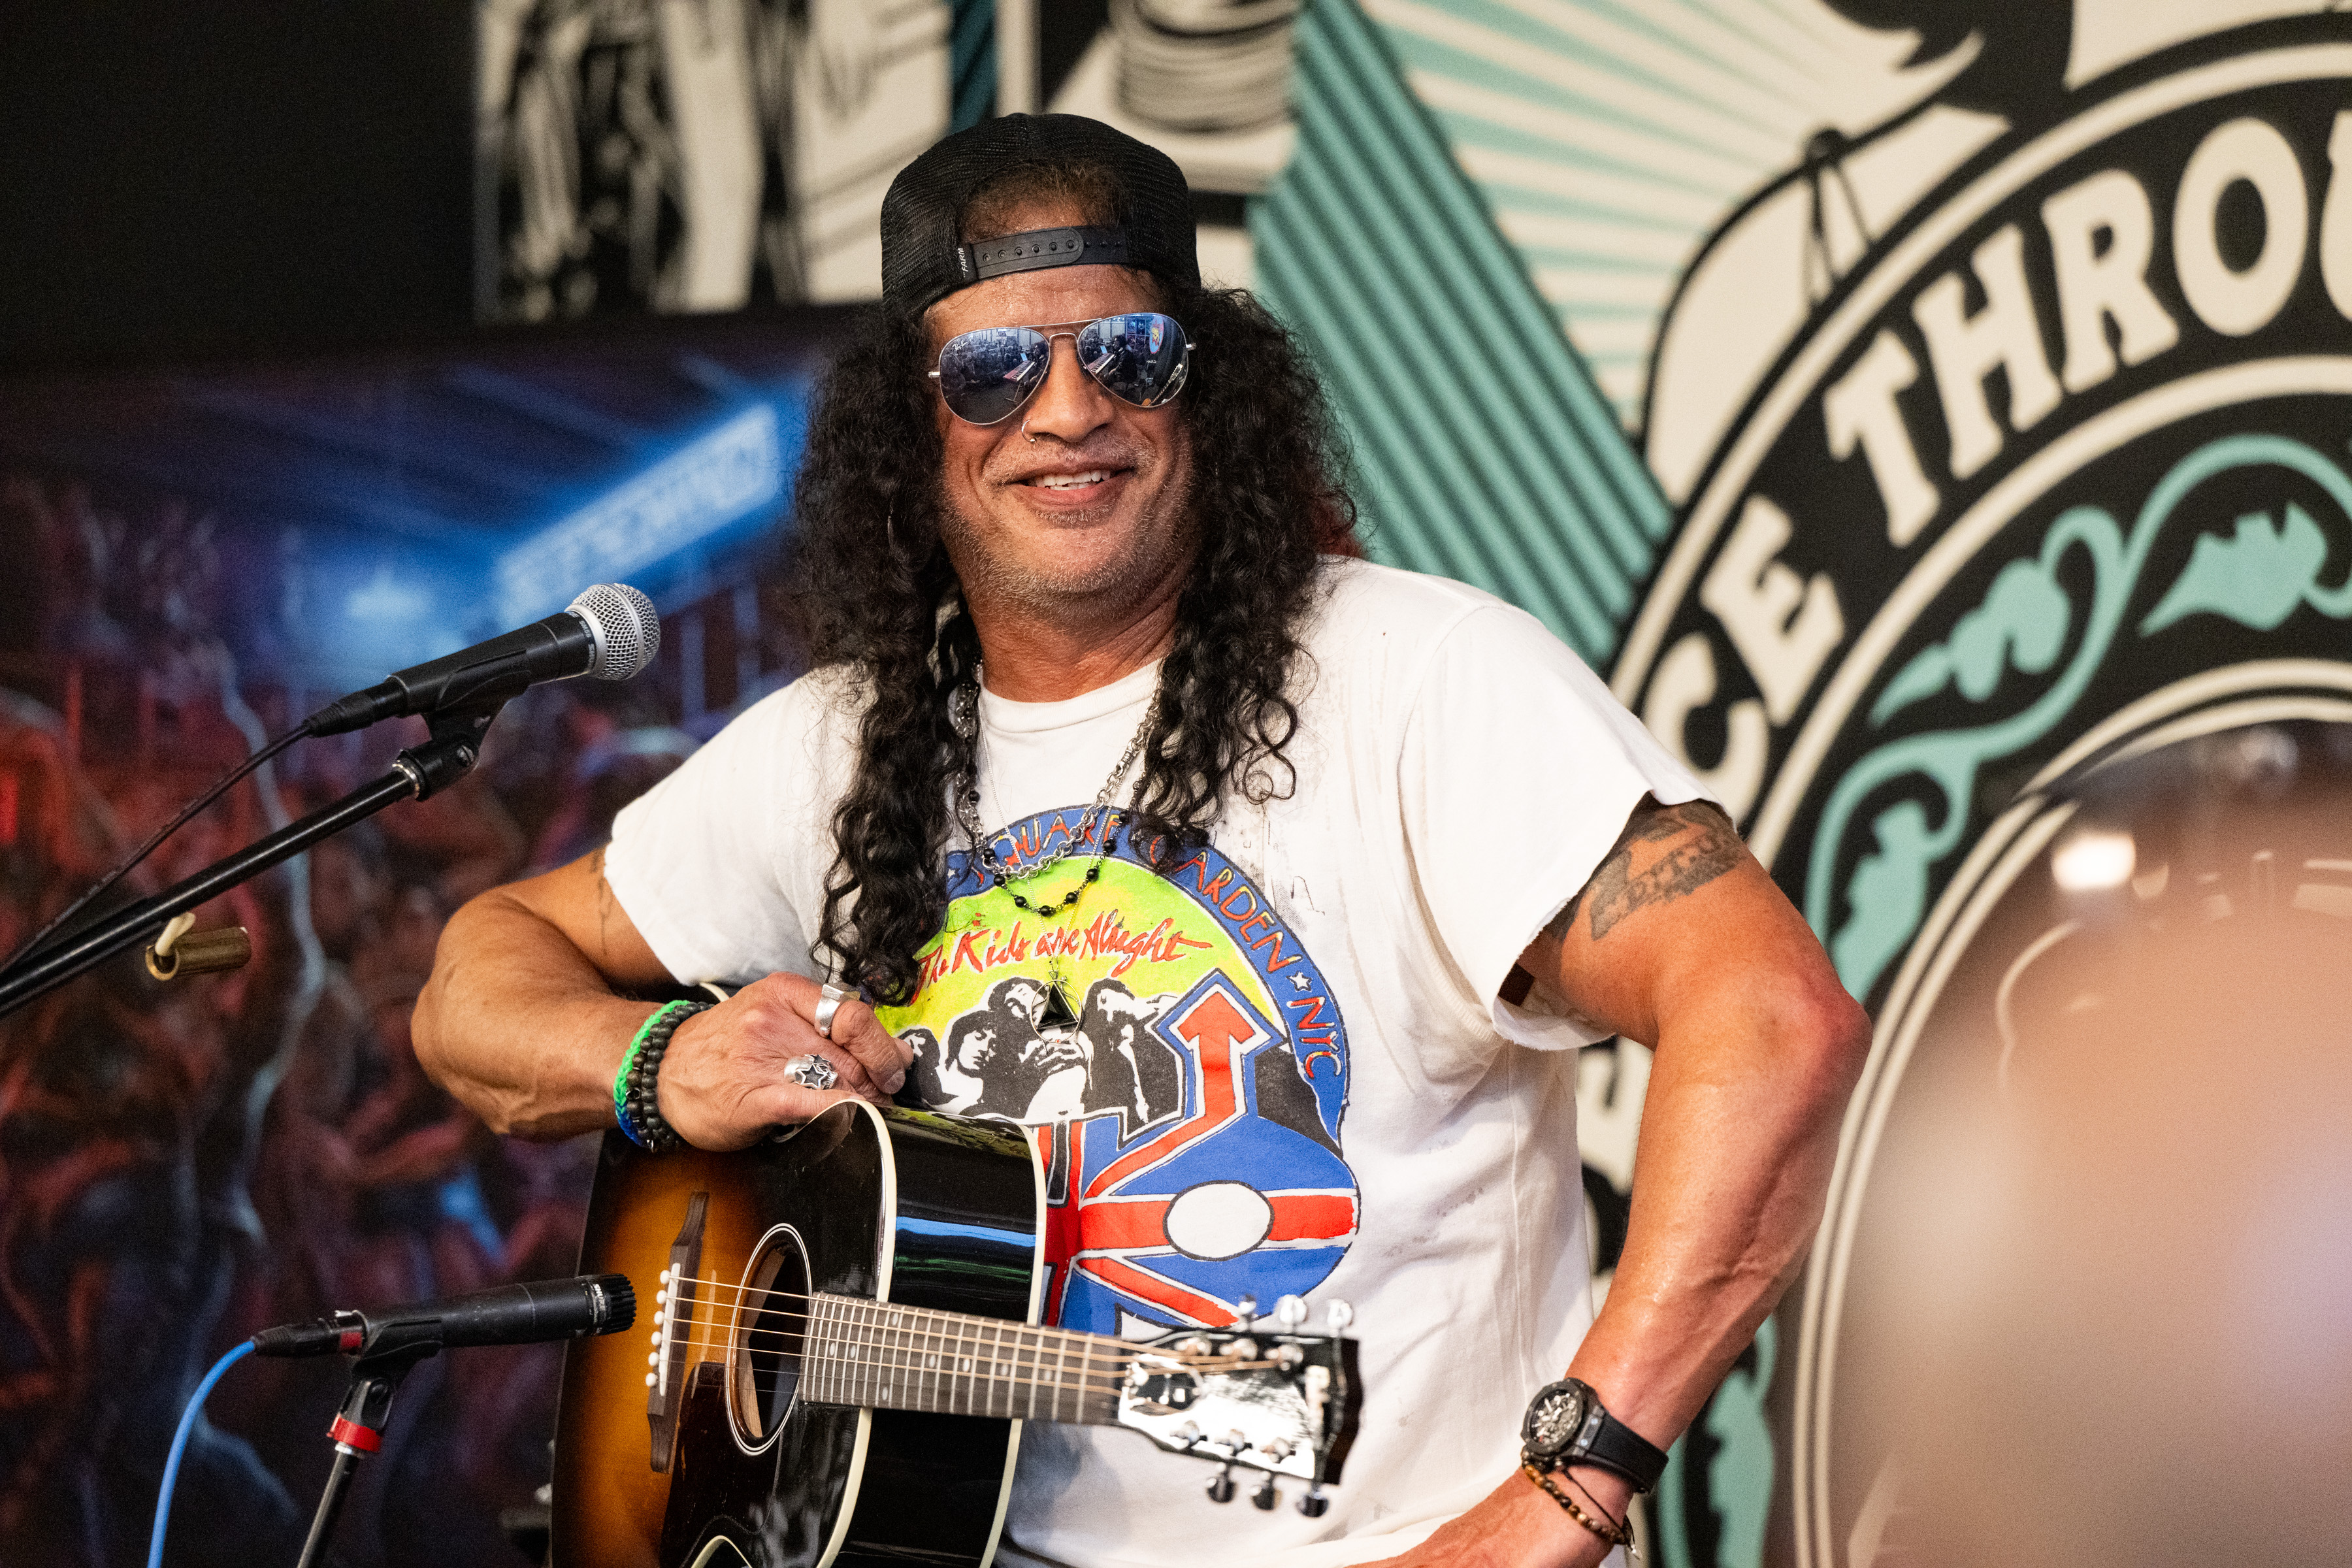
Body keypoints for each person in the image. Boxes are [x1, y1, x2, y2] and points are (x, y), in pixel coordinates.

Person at [413, 112, 1869, 1568]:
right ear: (910, 429)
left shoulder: (1424, 678)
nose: (1064, 412)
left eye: (1127, 356)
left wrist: (1564, 1494)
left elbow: (1773, 1020)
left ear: (1207, 393)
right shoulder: (838, 744)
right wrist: (663, 1061)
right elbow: (478, 981)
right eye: (992, 371)